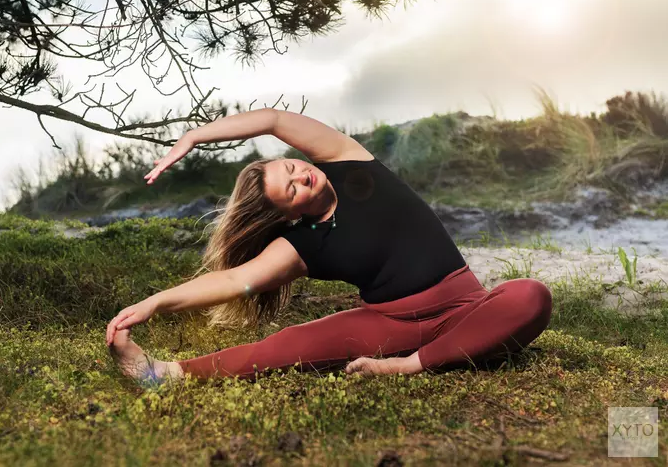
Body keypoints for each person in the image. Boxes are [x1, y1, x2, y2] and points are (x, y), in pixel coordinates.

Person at [105, 108, 552, 384]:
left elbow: (274, 120)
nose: (302, 176)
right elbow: (237, 280)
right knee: (285, 347)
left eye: (292, 168)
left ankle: (413, 366)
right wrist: (157, 303)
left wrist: (194, 137)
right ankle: (163, 374)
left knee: (530, 296)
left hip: (466, 305)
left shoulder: (347, 159)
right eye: (291, 190)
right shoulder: (301, 244)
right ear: (287, 215)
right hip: (391, 323)